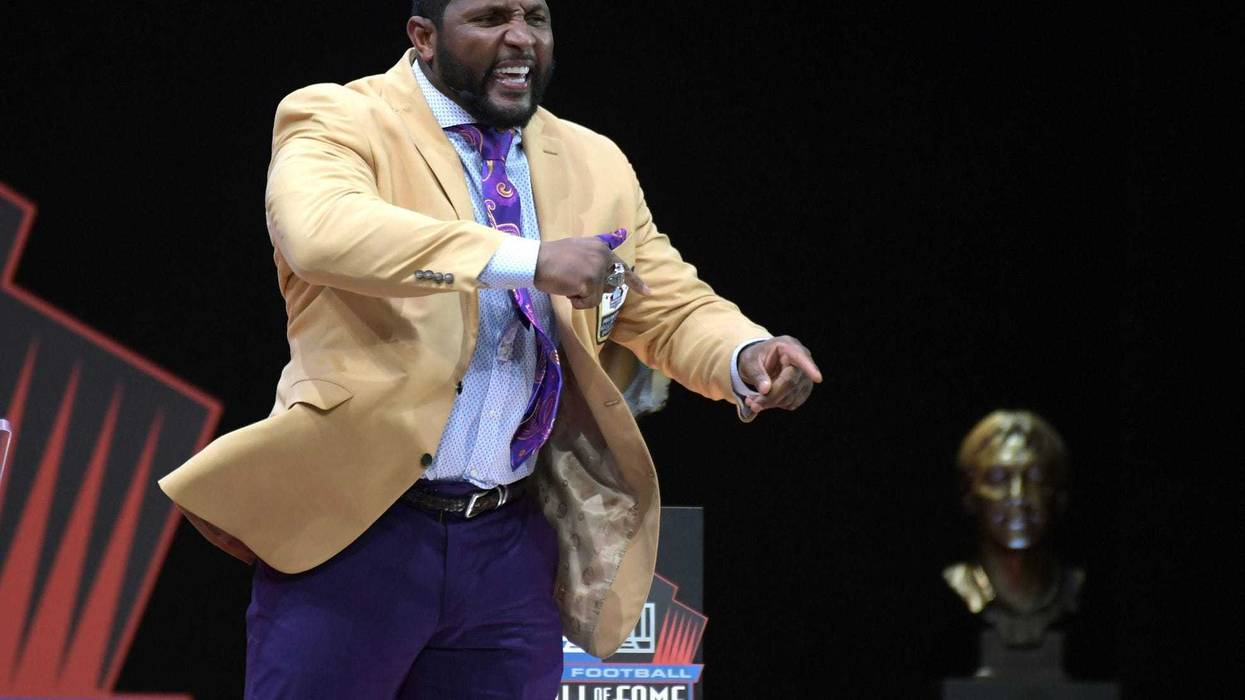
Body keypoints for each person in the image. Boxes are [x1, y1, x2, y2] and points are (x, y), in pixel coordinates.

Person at [159, 0, 822, 697]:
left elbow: (661, 300)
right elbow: (322, 232)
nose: (519, 38)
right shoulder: (340, 118)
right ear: (423, 37)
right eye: (488, 18)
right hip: (357, 529)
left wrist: (743, 352)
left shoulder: (592, 160)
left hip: (508, 544)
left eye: (534, 18)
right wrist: (526, 260)